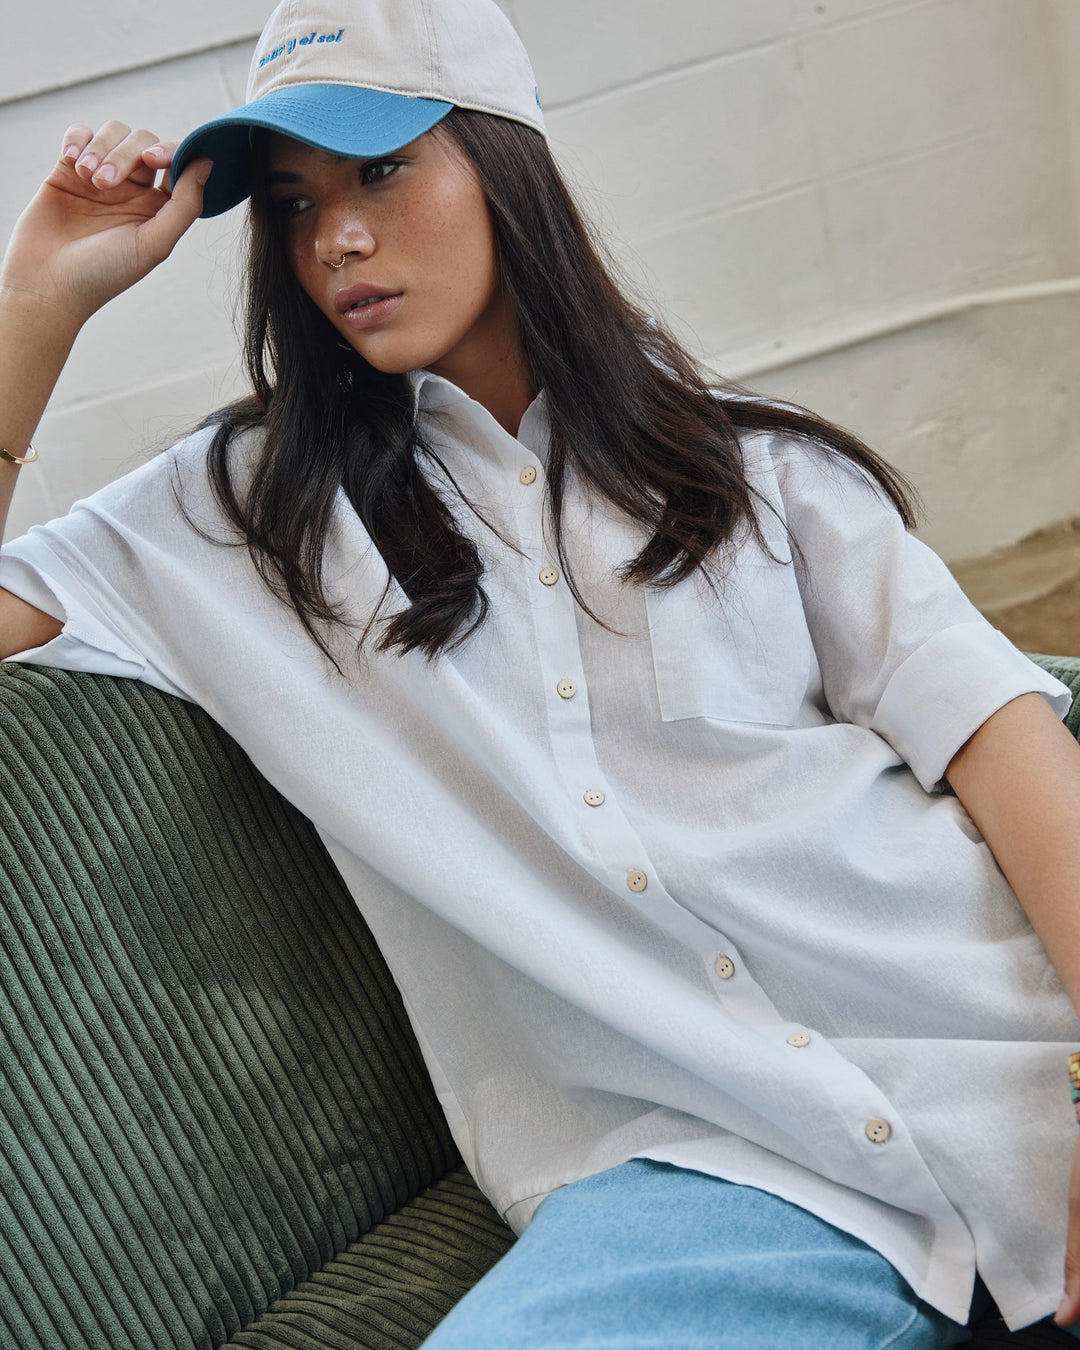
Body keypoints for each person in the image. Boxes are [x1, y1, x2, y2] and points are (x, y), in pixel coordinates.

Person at [1, 0, 1079, 1345]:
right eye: (291, 202)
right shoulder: (239, 518)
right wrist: (39, 302)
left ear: (505, 163)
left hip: (1019, 1072)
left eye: (381, 169)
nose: (333, 237)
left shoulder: (756, 477)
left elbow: (1003, 735)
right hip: (706, 1180)